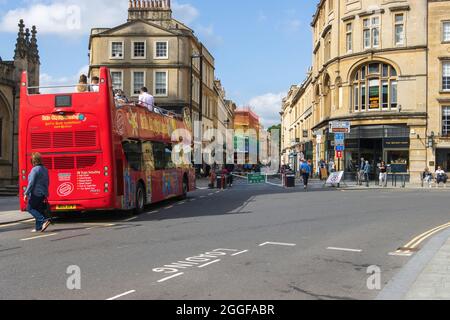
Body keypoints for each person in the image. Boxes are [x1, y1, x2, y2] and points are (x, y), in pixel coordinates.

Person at [24, 153, 51, 233]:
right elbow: (47, 182)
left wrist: (26, 193)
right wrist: (46, 192)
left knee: (30, 208)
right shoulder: (45, 169)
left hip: (35, 193)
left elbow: (31, 183)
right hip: (42, 193)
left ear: (33, 161)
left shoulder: (35, 169)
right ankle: (38, 227)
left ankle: (44, 220)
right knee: (37, 210)